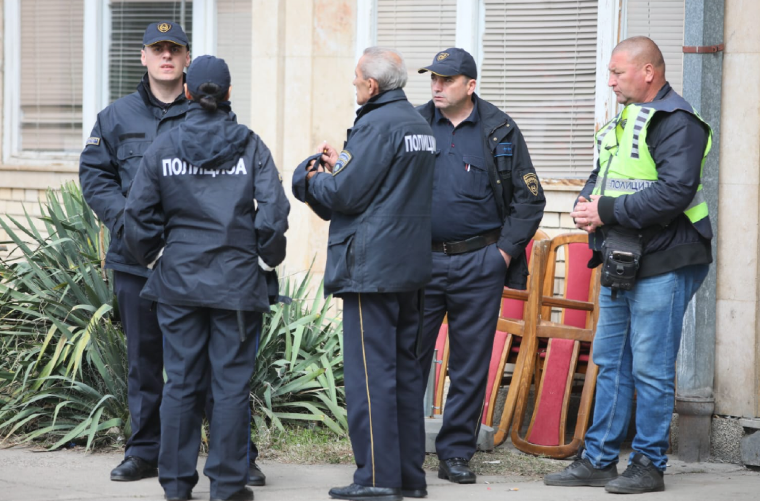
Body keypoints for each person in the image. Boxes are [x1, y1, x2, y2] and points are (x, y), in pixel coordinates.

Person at [79, 23, 266, 486]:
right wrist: (130, 226)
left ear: (186, 62)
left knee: (208, 365)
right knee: (146, 362)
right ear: (142, 57)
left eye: (175, 49)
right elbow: (95, 178)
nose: (166, 55)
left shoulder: (210, 111)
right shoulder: (115, 117)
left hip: (202, 262)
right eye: (157, 49)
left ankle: (236, 457)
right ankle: (145, 451)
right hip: (137, 260)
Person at [543, 36, 713, 494]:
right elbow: (606, 172)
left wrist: (607, 211)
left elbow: (675, 192)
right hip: (624, 254)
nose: (611, 80)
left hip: (668, 257)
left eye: (618, 72)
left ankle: (648, 464)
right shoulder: (627, 117)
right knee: (610, 360)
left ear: (648, 72)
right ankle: (599, 459)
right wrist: (584, 203)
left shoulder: (679, 123)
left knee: (651, 367)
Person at [123, 55, 290, 501]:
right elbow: (273, 215)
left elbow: (136, 215)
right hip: (236, 285)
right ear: (229, 93)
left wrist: (156, 256)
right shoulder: (250, 145)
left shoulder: (165, 145)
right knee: (230, 386)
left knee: (179, 383)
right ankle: (229, 487)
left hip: (178, 283)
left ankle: (176, 486)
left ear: (188, 92)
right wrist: (265, 259)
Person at [292, 47, 436, 501]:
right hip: (409, 268)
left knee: (370, 379)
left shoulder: (375, 124)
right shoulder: (418, 124)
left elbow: (345, 196)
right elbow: (383, 186)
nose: (355, 86)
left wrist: (311, 176)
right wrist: (344, 167)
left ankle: (375, 479)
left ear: (371, 86)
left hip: (370, 269)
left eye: (357, 80)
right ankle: (409, 477)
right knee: (406, 377)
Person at [414, 48, 545, 484]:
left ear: (470, 85)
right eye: (433, 78)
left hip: (479, 262)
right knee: (410, 358)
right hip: (420, 262)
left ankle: (455, 454)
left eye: (447, 80)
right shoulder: (413, 124)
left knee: (469, 364)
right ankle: (404, 451)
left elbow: (530, 198)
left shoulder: (499, 129)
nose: (436, 86)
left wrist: (502, 255)